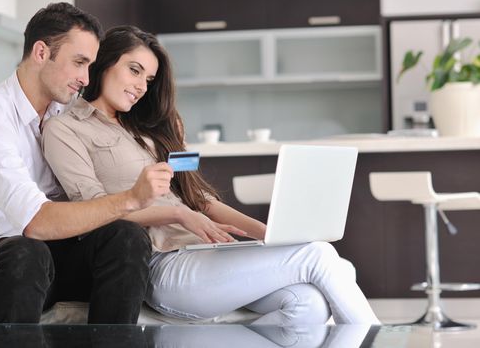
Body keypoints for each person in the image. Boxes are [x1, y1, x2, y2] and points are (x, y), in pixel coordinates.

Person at [41, 25, 380, 325]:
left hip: (206, 255)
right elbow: (94, 209)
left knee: (308, 303)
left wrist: (272, 236)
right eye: (134, 71)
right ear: (104, 63)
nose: (142, 86)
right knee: (318, 256)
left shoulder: (149, 130)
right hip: (166, 265)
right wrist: (177, 214)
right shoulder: (65, 129)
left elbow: (201, 201)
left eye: (148, 79)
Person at [0, 4, 173, 326]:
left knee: (126, 236)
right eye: (79, 63)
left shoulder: (69, 111)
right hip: (8, 257)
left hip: (69, 252)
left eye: (91, 65)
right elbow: (35, 224)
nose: (85, 78)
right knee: (27, 251)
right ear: (41, 52)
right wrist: (130, 198)